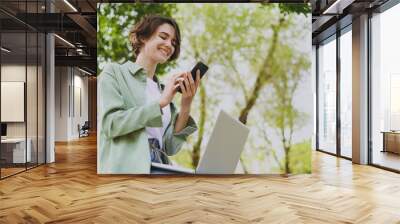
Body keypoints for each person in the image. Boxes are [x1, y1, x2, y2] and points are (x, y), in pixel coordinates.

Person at [98, 15, 200, 174]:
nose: (169, 45)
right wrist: (160, 103)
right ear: (143, 37)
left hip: (160, 165)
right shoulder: (114, 73)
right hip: (128, 167)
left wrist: (186, 105)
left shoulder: (162, 91)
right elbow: (111, 125)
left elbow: (170, 147)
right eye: (163, 37)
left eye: (173, 42)